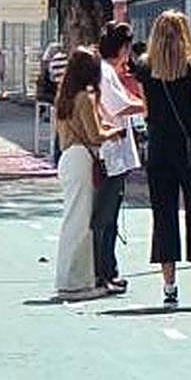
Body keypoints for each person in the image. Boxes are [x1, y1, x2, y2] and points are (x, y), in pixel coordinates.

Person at [137, 11, 191, 307]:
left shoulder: (145, 68)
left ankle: (169, 287)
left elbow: (146, 110)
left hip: (159, 148)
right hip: (190, 148)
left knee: (163, 215)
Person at [54, 47, 124, 301]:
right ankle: (74, 283)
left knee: (73, 220)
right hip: (83, 159)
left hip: (68, 158)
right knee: (81, 223)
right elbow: (94, 135)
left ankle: (72, 279)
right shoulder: (85, 97)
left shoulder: (65, 97)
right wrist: (114, 132)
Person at [92, 22, 145, 294]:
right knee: (106, 216)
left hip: (118, 153)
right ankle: (103, 272)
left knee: (111, 215)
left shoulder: (110, 71)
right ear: (123, 48)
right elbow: (120, 105)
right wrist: (149, 104)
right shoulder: (105, 72)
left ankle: (108, 269)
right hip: (111, 152)